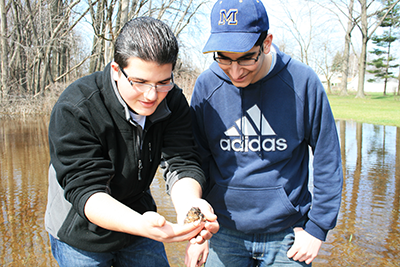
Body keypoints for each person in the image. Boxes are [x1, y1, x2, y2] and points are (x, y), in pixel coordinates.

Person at [45, 17, 218, 267]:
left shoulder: (172, 100)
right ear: (117, 70)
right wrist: (143, 226)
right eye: (139, 82)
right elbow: (87, 191)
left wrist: (191, 206)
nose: (151, 95)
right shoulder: (76, 108)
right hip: (81, 230)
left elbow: (181, 161)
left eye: (162, 82)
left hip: (140, 217)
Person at [188, 0, 343, 266]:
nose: (235, 72)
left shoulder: (303, 82)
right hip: (223, 230)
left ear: (267, 42)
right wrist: (197, 232)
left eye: (246, 57)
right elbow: (195, 161)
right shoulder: (206, 86)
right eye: (224, 58)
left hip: (287, 236)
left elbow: (327, 158)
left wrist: (318, 228)